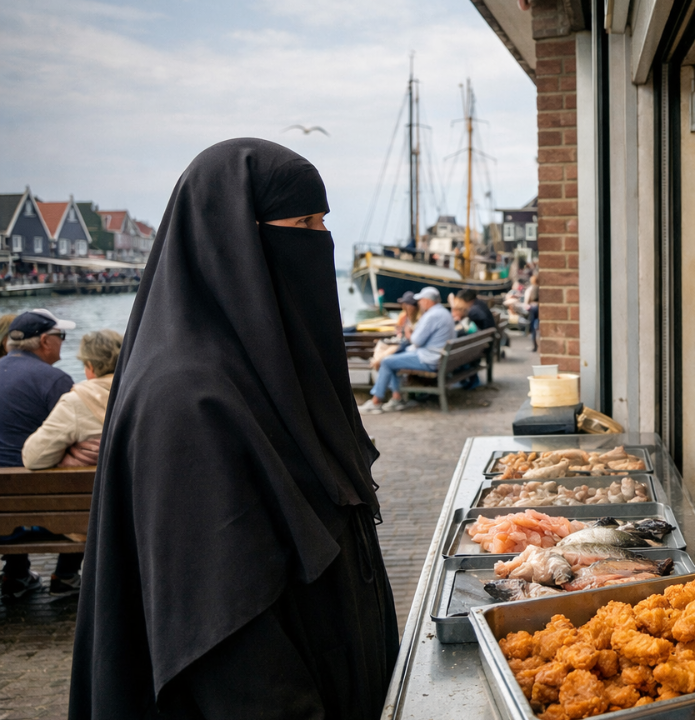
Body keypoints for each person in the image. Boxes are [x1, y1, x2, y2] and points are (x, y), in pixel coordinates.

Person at [69, 139, 397, 718]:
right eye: (304, 224)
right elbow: (220, 630)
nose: (321, 240)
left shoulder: (275, 374)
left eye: (323, 222)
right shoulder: (185, 401)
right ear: (236, 244)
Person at [0, 309, 86, 599]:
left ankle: (16, 574)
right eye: (61, 336)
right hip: (45, 510)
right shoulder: (55, 380)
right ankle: (66, 575)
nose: (63, 341)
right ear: (45, 342)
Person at [23, 330, 123, 470]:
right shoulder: (144, 394)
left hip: (95, 483)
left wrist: (71, 454)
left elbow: (33, 458)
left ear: (90, 366)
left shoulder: (77, 401)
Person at [358, 285, 454, 415]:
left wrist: (409, 333)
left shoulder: (432, 315)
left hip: (429, 359)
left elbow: (416, 340)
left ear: (427, 301)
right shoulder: (445, 313)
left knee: (386, 361)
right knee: (392, 360)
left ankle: (376, 402)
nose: (419, 303)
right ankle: (396, 398)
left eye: (421, 300)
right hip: (440, 358)